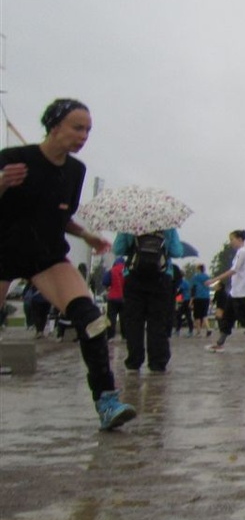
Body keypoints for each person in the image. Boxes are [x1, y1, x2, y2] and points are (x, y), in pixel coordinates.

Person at [0, 98, 135, 430]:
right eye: (77, 128)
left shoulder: (75, 171)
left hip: (46, 256)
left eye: (88, 130)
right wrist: (1, 183)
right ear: (54, 125)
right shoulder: (14, 159)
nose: (83, 136)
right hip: (4, 250)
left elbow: (60, 215)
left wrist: (85, 234)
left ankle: (107, 401)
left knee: (92, 320)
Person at [114, 228, 184, 374]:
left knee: (134, 320)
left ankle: (134, 361)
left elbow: (118, 249)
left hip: (134, 276)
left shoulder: (130, 224)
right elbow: (177, 252)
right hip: (161, 276)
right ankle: (157, 362)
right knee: (158, 321)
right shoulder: (168, 226)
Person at [205, 230, 245, 352]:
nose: (231, 242)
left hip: (241, 293)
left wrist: (215, 279)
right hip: (235, 292)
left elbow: (234, 270)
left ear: (240, 239)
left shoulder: (243, 252)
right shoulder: (240, 253)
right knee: (227, 318)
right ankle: (220, 343)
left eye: (232, 239)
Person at [103, 257, 126, 340]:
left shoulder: (111, 270)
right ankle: (125, 336)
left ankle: (110, 336)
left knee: (111, 317)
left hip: (112, 297)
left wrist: (108, 287)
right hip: (124, 298)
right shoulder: (126, 271)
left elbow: (105, 281)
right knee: (124, 318)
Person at [191, 264, 212, 337]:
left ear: (199, 269)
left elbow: (193, 288)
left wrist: (191, 300)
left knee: (197, 315)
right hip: (206, 297)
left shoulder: (195, 277)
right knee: (204, 314)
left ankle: (199, 332)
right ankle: (208, 328)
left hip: (198, 297)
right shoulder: (207, 277)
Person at [174, 269, 194, 337]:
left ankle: (178, 330)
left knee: (180, 315)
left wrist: (174, 297)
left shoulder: (182, 282)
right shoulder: (185, 282)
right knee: (187, 316)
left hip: (186, 300)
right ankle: (189, 330)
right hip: (186, 300)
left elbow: (180, 292)